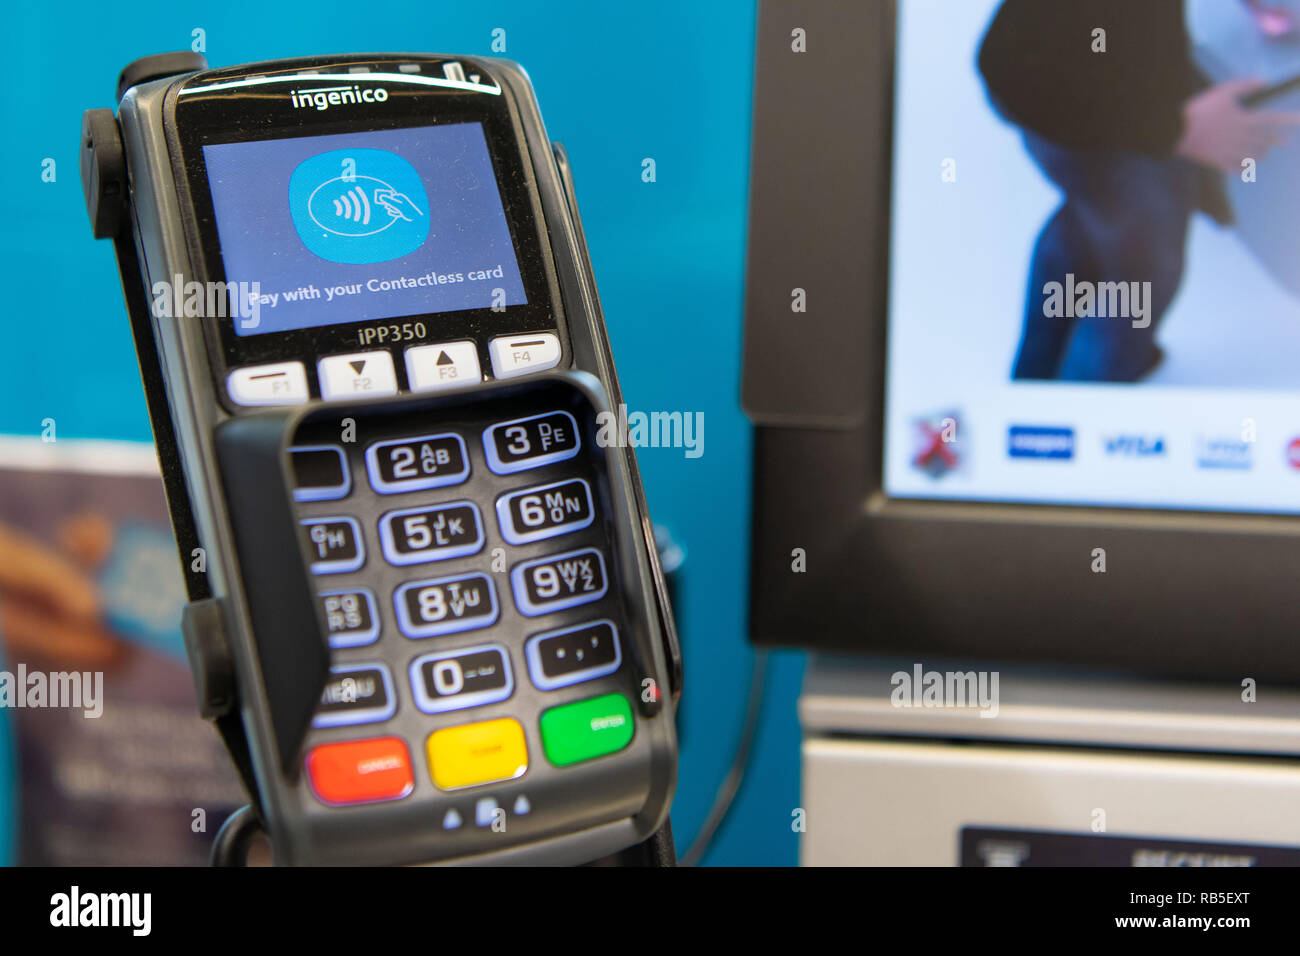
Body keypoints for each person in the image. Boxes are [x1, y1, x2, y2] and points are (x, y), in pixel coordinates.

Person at [979, 0, 1300, 382]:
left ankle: (1038, 379)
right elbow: (1008, 66)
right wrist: (1173, 130)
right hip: (1105, 132)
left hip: (1107, 120)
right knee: (1143, 271)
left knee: (1089, 223)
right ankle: (1084, 398)